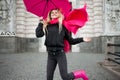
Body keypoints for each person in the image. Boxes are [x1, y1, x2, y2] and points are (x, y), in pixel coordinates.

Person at [36, 8, 91, 80]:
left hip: (60, 54)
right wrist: (40, 22)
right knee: (49, 78)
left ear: (59, 14)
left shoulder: (63, 26)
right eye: (52, 12)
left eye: (56, 12)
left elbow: (71, 41)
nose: (54, 13)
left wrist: (82, 39)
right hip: (50, 55)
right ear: (49, 15)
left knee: (65, 77)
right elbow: (39, 34)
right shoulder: (47, 25)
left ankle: (81, 73)